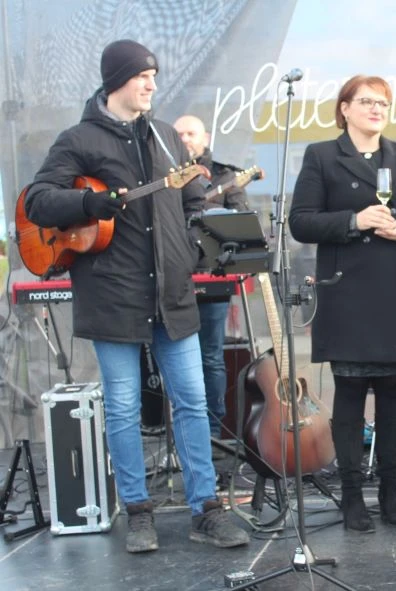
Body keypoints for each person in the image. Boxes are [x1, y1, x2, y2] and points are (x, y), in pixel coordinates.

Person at [23, 40, 249, 553]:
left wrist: (195, 239)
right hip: (112, 294)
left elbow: (194, 199)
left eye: (153, 75)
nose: (151, 84)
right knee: (124, 409)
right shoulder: (78, 140)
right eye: (142, 76)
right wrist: (88, 201)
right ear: (116, 81)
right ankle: (139, 509)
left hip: (172, 295)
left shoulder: (169, 138)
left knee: (192, 404)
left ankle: (206, 509)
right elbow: (37, 201)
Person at [289, 74, 396, 533]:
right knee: (352, 399)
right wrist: (354, 220)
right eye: (366, 101)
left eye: (383, 103)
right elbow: (301, 222)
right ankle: (353, 497)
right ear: (345, 108)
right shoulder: (322, 156)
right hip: (348, 292)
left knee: (395, 400)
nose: (376, 109)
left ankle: (393, 492)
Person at [173, 114, 248, 442]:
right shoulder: (163, 174)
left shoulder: (225, 175)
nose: (186, 138)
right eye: (180, 134)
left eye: (191, 132)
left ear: (205, 136)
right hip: (172, 279)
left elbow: (243, 226)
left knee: (210, 356)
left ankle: (214, 432)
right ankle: (180, 432)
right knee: (173, 357)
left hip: (212, 279)